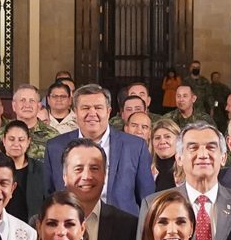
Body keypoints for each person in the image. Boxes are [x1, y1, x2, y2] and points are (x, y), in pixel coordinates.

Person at [46, 84, 157, 214]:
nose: (92, 113)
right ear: (75, 112)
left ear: (108, 111)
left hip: (122, 228)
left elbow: (147, 200)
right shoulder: (55, 147)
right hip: (70, 228)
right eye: (85, 108)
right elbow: (49, 196)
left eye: (98, 108)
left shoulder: (135, 147)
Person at [61, 143, 138, 240]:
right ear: (65, 176)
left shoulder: (129, 226)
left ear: (105, 176)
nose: (87, 176)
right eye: (78, 169)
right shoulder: (44, 224)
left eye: (94, 168)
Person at [0, 119, 46, 225]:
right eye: (11, 139)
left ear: (28, 142)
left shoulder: (40, 169)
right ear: (4, 140)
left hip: (33, 229)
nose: (16, 144)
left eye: (21, 140)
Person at [149, 118, 182, 192]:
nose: (162, 141)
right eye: (157, 138)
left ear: (178, 140)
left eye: (167, 137)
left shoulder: (189, 169)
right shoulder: (146, 170)